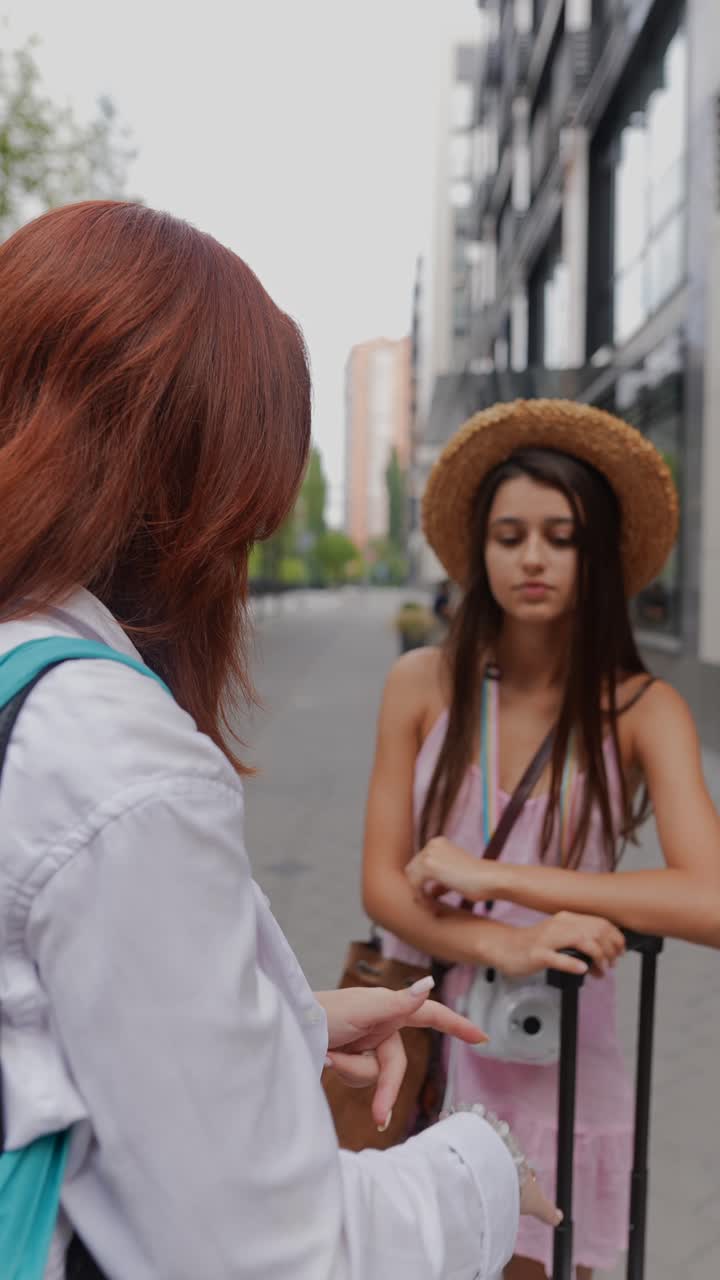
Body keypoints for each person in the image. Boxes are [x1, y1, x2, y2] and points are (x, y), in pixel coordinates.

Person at [0, 202, 560, 1280]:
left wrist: (280, 1023)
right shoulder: (119, 752)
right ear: (193, 491)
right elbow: (267, 1247)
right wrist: (483, 1163)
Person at [362, 399, 720, 1279]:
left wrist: (500, 876)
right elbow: (382, 885)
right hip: (423, 1036)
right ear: (480, 550)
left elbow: (707, 899)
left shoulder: (641, 708)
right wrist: (503, 940)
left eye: (561, 536)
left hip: (558, 1060)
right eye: (510, 533)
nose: (532, 558)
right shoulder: (421, 684)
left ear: (593, 555)